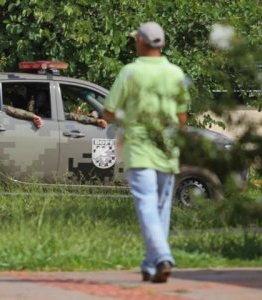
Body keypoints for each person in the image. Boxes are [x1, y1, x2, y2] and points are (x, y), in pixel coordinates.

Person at [103, 22, 190, 283]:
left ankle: (162, 256)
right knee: (162, 208)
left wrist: (123, 116)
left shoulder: (130, 72)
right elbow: (182, 117)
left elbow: (109, 111)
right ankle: (152, 266)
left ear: (141, 41)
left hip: (138, 148)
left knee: (146, 205)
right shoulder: (175, 73)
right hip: (166, 149)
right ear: (161, 44)